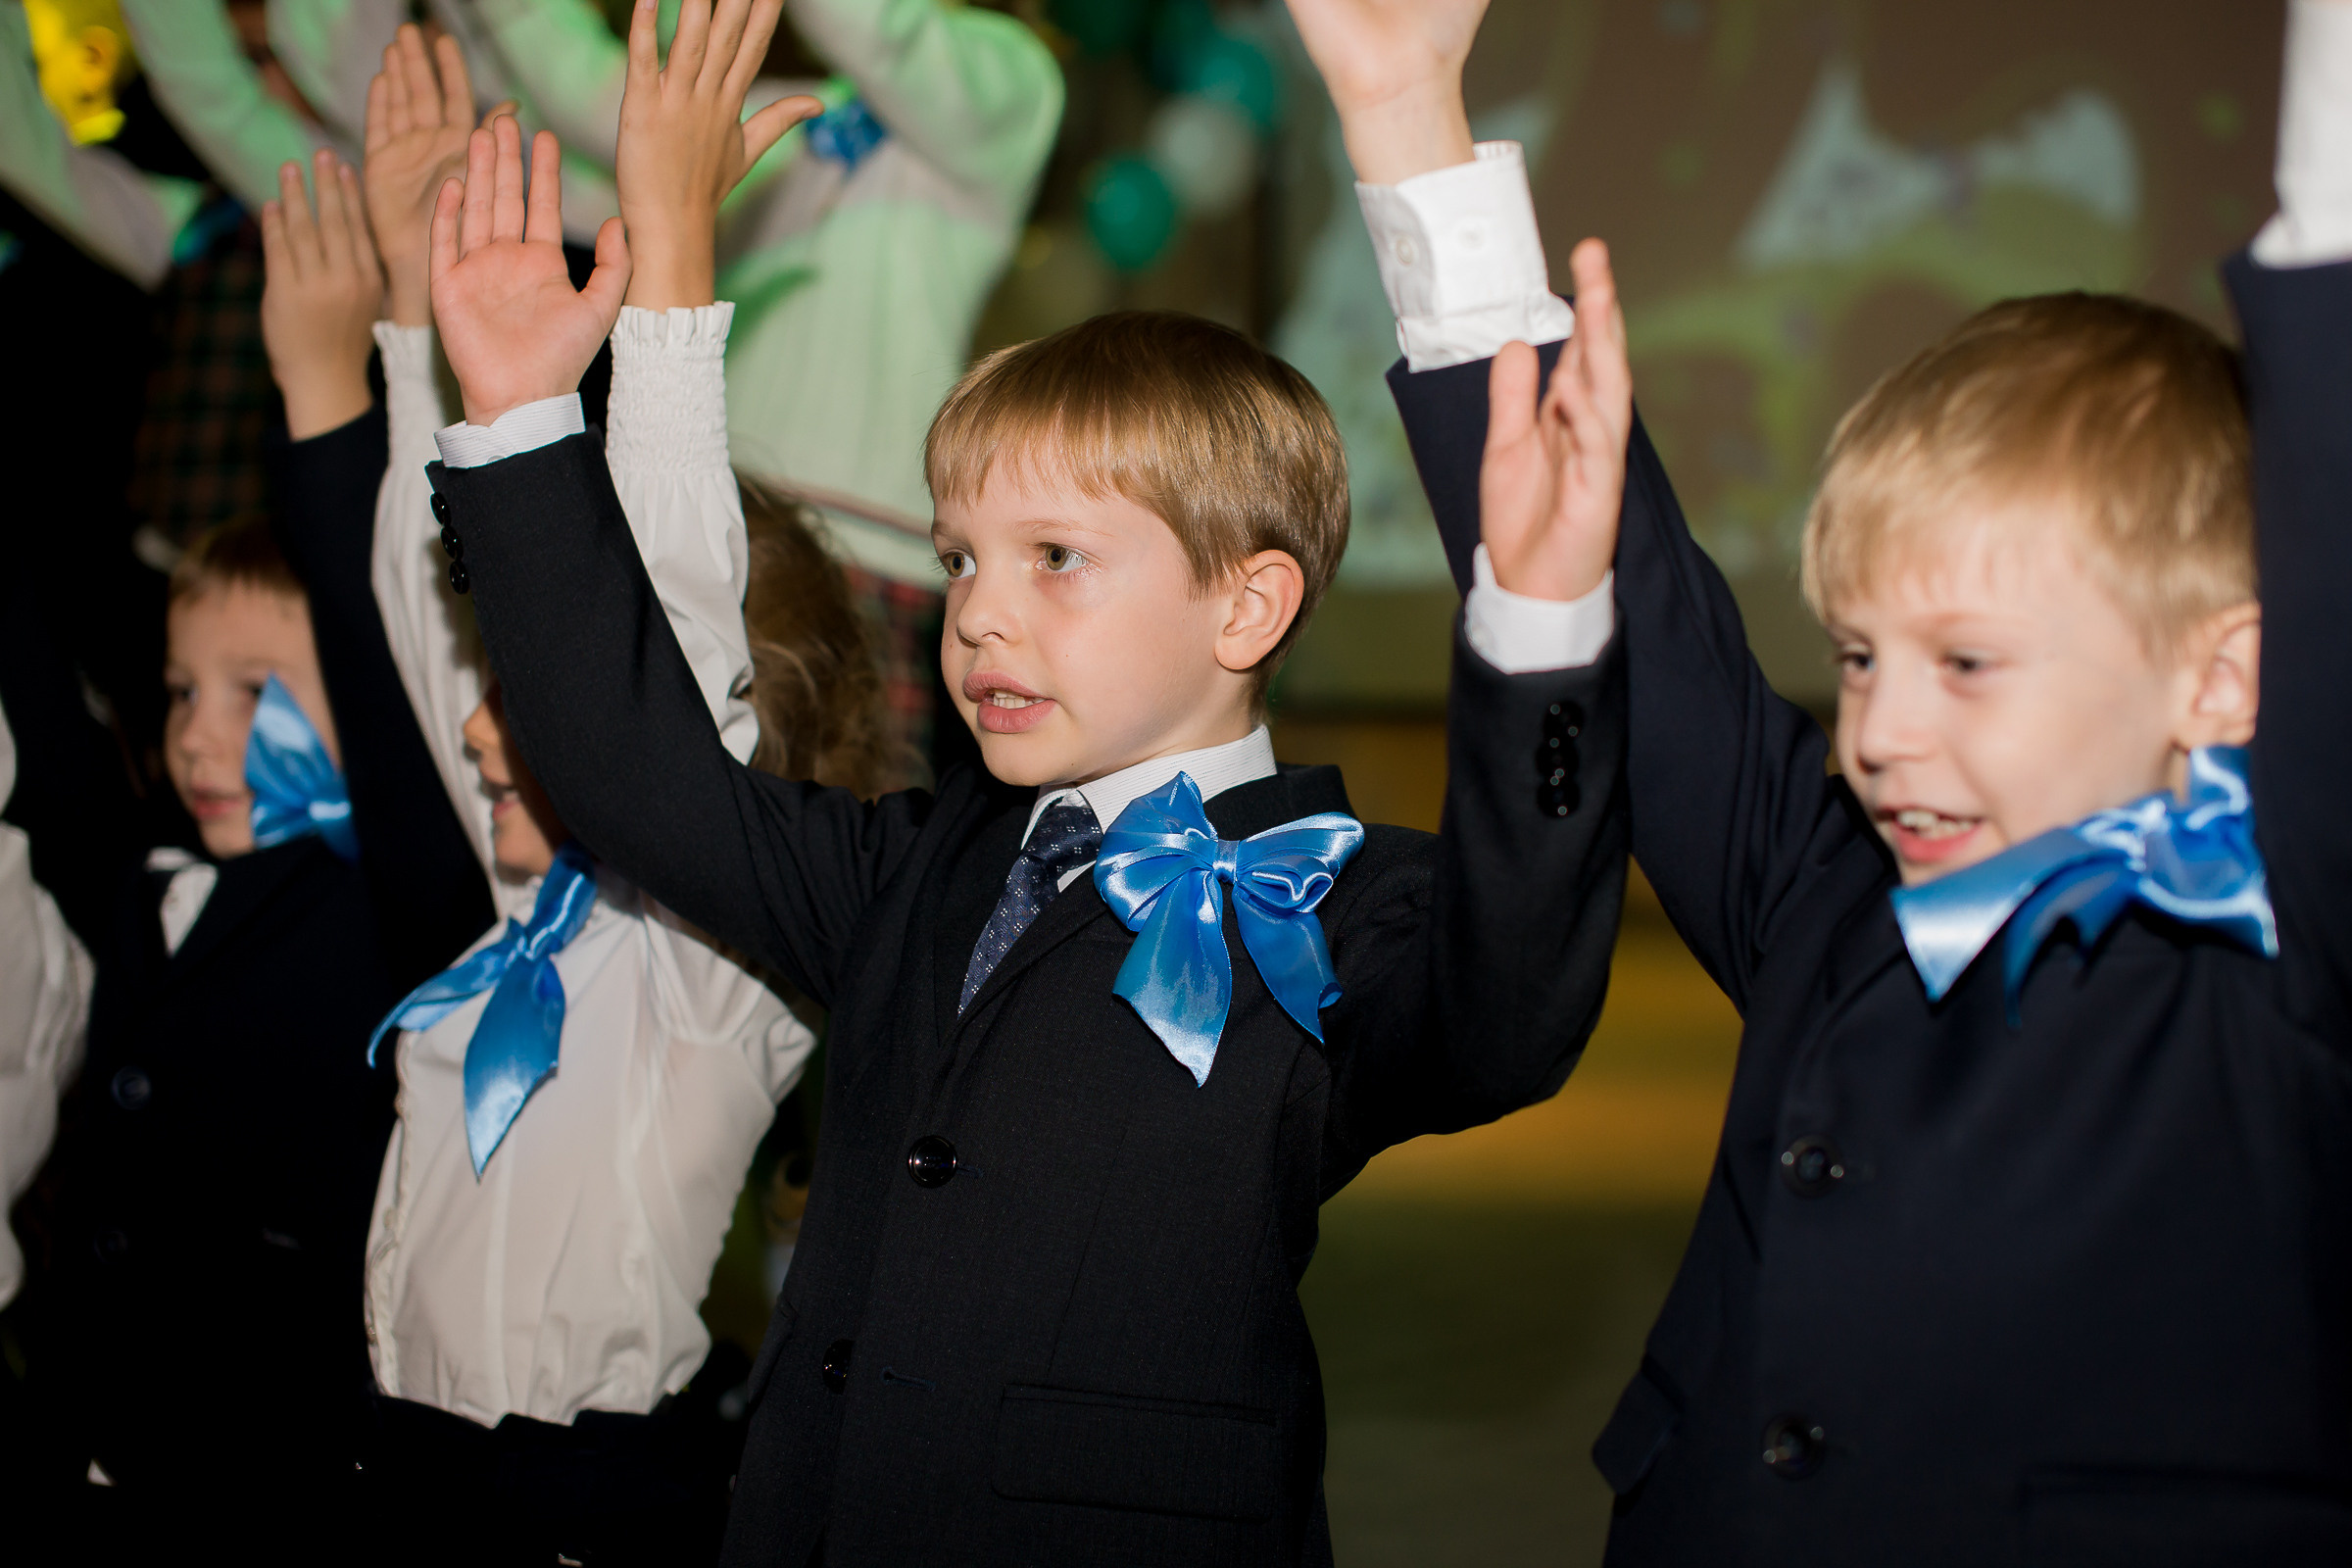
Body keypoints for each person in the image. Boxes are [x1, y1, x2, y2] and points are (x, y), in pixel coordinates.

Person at [414, 2, 1631, 1561]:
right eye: (962, 559)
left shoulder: (1340, 898)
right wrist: (520, 423)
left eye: (1057, 561)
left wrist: (1537, 634)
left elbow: (1513, 1006)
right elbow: (633, 775)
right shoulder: (917, 867)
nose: (981, 611)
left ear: (1246, 604)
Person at [1283, 0, 2352, 1557]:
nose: (1880, 732)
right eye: (1858, 657)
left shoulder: (2292, 930)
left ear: (2226, 676)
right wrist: (1404, 108)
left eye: (1967, 662)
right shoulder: (1834, 886)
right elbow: (1632, 604)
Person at [247, 29, 883, 1561]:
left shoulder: (715, 969)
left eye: (526, 723)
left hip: (584, 1513)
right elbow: (435, 612)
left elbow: (658, 632)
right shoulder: (510, 916)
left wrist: (667, 269)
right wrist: (419, 305)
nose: (477, 738)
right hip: (394, 1475)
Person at [3, 151, 490, 1550]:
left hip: (260, 1484)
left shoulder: (406, 910)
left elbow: (380, 614)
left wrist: (337, 370)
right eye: (179, 692)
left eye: (256, 693)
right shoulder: (148, 876)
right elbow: (46, 722)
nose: (202, 739)